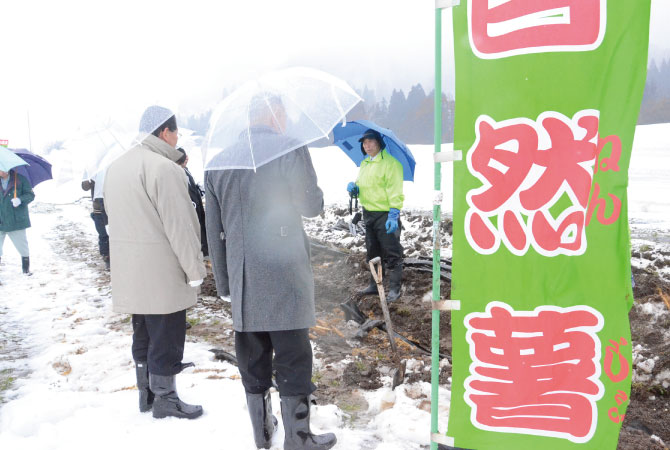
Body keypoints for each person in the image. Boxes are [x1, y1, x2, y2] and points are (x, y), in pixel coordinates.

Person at [205, 95, 337, 450]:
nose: (286, 120)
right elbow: (311, 207)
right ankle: (298, 438)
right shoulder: (289, 149)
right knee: (293, 355)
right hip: (284, 271)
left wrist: (225, 283)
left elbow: (213, 231)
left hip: (243, 277)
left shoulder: (218, 162)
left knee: (253, 355)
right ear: (273, 113)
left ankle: (262, 434)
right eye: (284, 113)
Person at [104, 105, 206, 420]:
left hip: (131, 269)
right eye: (176, 133)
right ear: (165, 132)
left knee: (144, 333)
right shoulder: (164, 168)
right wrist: (195, 270)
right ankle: (165, 398)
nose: (177, 140)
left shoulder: (116, 167)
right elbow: (181, 227)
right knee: (167, 335)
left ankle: (146, 395)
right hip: (162, 271)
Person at [346, 128, 405, 302]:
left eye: (371, 141)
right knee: (372, 252)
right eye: (364, 143)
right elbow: (362, 186)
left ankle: (395, 289)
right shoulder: (365, 164)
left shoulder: (391, 164)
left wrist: (394, 214)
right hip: (369, 214)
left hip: (385, 215)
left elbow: (395, 191)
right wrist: (355, 189)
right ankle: (374, 284)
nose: (367, 145)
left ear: (379, 142)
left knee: (392, 253)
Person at [0, 168, 35, 275]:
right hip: (1, 219)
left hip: (16, 219)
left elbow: (30, 195)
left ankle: (26, 269)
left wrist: (20, 200)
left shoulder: (20, 179)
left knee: (22, 245)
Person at [176, 148, 208, 258]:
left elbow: (193, 188)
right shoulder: (177, 174)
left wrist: (200, 190)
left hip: (197, 208)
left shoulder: (186, 171)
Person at [81, 170, 110, 269]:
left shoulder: (114, 162)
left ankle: (113, 256)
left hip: (112, 201)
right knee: (103, 234)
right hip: (99, 204)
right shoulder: (93, 166)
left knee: (113, 232)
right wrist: (90, 181)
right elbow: (85, 187)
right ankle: (107, 257)